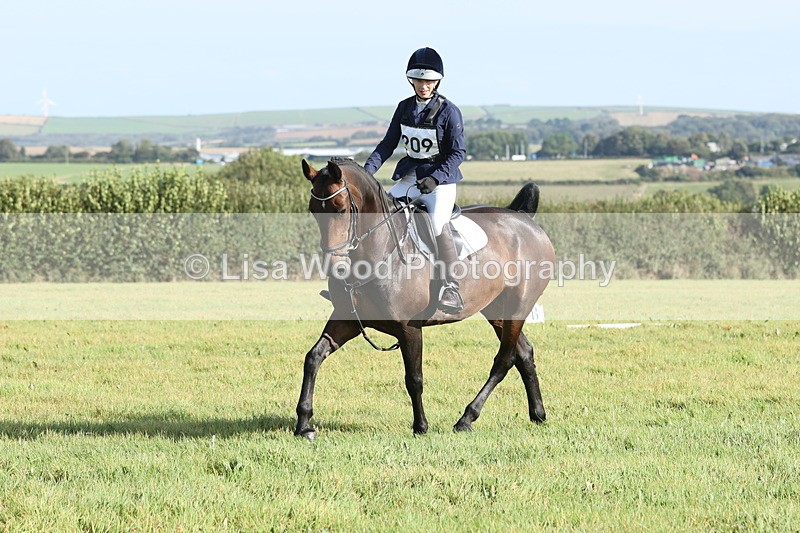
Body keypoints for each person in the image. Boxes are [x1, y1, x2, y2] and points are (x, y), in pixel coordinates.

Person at [363, 47, 466, 314]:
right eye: (420, 81)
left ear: (437, 82)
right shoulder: (404, 107)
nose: (424, 86)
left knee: (436, 223)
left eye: (429, 81)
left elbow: (458, 153)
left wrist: (435, 178)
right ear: (412, 81)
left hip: (440, 182)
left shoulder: (449, 112)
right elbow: (387, 144)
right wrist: (367, 172)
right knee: (379, 216)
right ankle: (361, 281)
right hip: (410, 176)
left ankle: (451, 286)